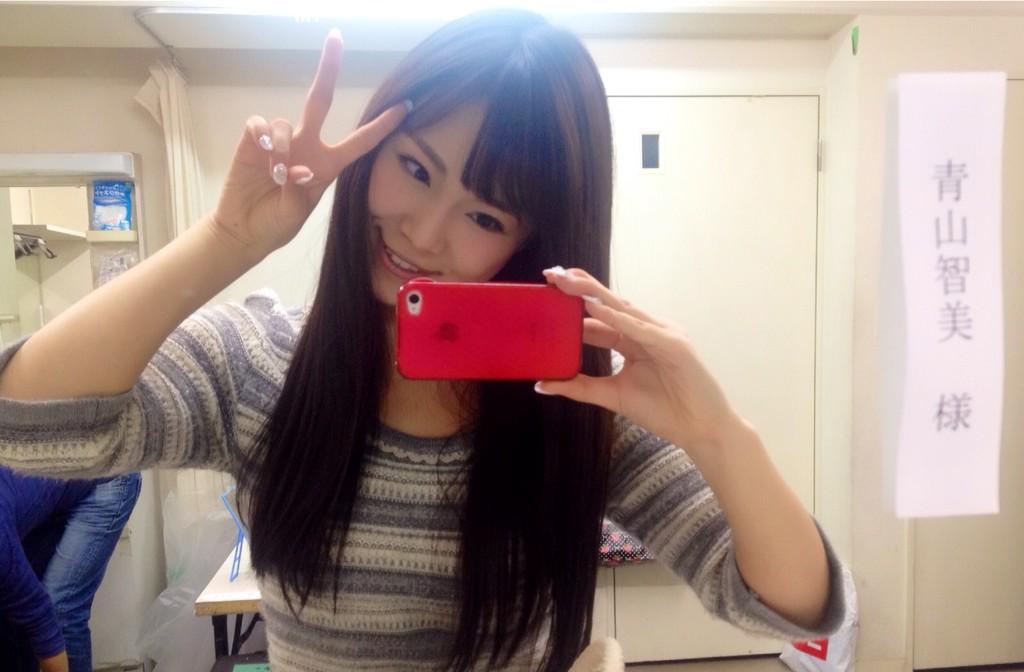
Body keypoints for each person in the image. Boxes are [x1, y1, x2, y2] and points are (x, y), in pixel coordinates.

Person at [0, 9, 849, 671]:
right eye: (414, 168)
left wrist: (718, 433)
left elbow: (790, 606)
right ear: (372, 147)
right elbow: (28, 426)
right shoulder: (260, 363)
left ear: (532, 244)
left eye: (486, 216)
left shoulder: (570, 404)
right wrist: (227, 239)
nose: (424, 232)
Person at [0, 467, 142, 672]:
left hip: (106, 473)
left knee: (60, 609)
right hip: (53, 488)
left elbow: (41, 621)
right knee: (12, 616)